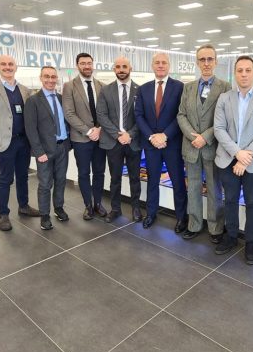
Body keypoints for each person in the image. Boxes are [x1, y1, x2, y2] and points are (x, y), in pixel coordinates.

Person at [213, 56, 253, 264]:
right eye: (240, 70)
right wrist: (237, 153)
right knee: (230, 200)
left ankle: (250, 242)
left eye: (248, 70)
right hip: (228, 158)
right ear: (235, 74)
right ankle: (231, 236)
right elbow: (219, 129)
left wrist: (244, 157)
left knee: (252, 202)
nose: (244, 74)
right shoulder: (224, 98)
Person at [0, 54, 40, 232]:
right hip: (6, 143)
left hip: (23, 141)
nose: (7, 67)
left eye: (11, 64)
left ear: (16, 67)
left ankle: (24, 206)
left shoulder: (25, 90)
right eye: (3, 64)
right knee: (6, 178)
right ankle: (3, 214)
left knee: (23, 176)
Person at [177, 44, 231, 242]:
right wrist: (194, 137)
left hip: (213, 147)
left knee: (215, 189)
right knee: (193, 188)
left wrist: (205, 137)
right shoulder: (188, 87)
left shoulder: (225, 87)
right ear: (197, 62)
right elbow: (181, 115)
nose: (206, 63)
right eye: (202, 59)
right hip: (191, 147)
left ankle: (216, 228)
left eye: (210, 59)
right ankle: (194, 224)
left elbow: (226, 119)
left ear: (216, 62)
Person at [135, 52, 188, 230]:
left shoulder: (180, 87)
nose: (160, 65)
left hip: (172, 144)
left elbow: (181, 115)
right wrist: (152, 137)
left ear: (169, 66)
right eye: (157, 62)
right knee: (152, 181)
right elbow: (139, 115)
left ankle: (181, 217)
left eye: (164, 62)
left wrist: (165, 135)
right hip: (151, 145)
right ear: (152, 66)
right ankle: (151, 214)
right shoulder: (143, 89)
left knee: (178, 182)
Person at [95, 57, 143, 223]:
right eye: (118, 67)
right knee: (115, 178)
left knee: (135, 178)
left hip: (133, 141)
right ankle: (115, 209)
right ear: (114, 69)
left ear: (130, 68)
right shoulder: (105, 90)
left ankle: (136, 208)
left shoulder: (140, 90)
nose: (121, 69)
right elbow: (101, 115)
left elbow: (142, 117)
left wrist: (130, 134)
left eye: (124, 66)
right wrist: (118, 135)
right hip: (113, 142)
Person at [24, 66, 70, 230]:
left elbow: (66, 121)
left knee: (61, 180)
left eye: (53, 77)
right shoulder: (33, 101)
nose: (50, 80)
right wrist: (38, 152)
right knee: (45, 184)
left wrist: (68, 144)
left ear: (57, 78)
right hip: (44, 151)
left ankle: (59, 208)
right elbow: (30, 129)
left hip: (62, 147)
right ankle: (44, 215)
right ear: (41, 78)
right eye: (47, 76)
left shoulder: (61, 98)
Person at [62, 53, 107, 221]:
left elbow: (106, 112)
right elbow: (69, 113)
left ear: (93, 65)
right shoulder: (69, 86)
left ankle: (98, 203)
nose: (87, 66)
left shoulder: (102, 86)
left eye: (89, 63)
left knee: (99, 172)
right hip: (81, 139)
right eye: (83, 63)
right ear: (77, 66)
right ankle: (88, 205)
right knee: (83, 173)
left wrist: (99, 129)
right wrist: (89, 131)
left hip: (100, 137)